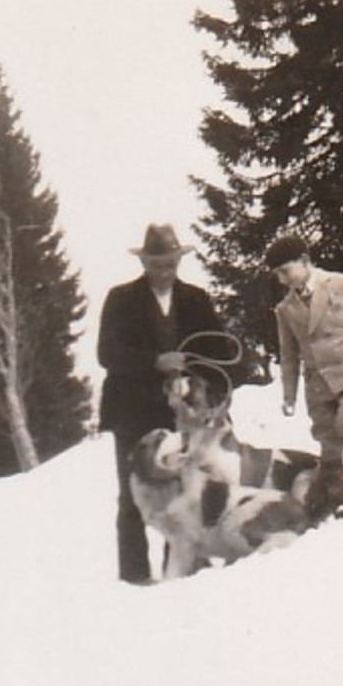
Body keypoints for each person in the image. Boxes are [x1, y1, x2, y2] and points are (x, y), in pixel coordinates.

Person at [97, 223, 225, 583]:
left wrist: (201, 384)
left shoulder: (197, 299)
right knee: (133, 495)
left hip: (184, 417)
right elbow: (107, 353)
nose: (165, 270)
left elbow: (218, 350)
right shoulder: (120, 299)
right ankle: (134, 578)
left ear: (178, 260)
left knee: (188, 489)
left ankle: (182, 571)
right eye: (157, 263)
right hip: (133, 414)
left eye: (170, 262)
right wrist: (155, 361)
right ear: (145, 263)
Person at [264, 234, 343, 518]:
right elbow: (289, 356)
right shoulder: (285, 309)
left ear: (304, 261)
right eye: (277, 274)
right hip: (318, 384)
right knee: (327, 439)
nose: (281, 279)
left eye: (284, 270)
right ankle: (336, 498)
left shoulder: (341, 283)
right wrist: (288, 396)